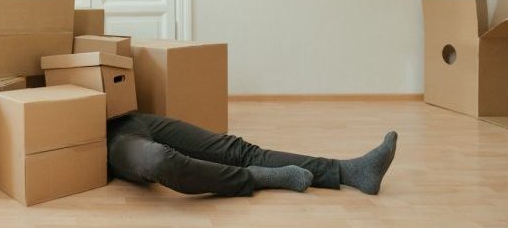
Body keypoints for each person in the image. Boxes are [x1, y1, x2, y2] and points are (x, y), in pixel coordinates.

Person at [107, 112, 397, 196]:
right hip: (104, 138)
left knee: (236, 149)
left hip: (127, 116)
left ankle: (349, 171)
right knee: (159, 160)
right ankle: (252, 179)